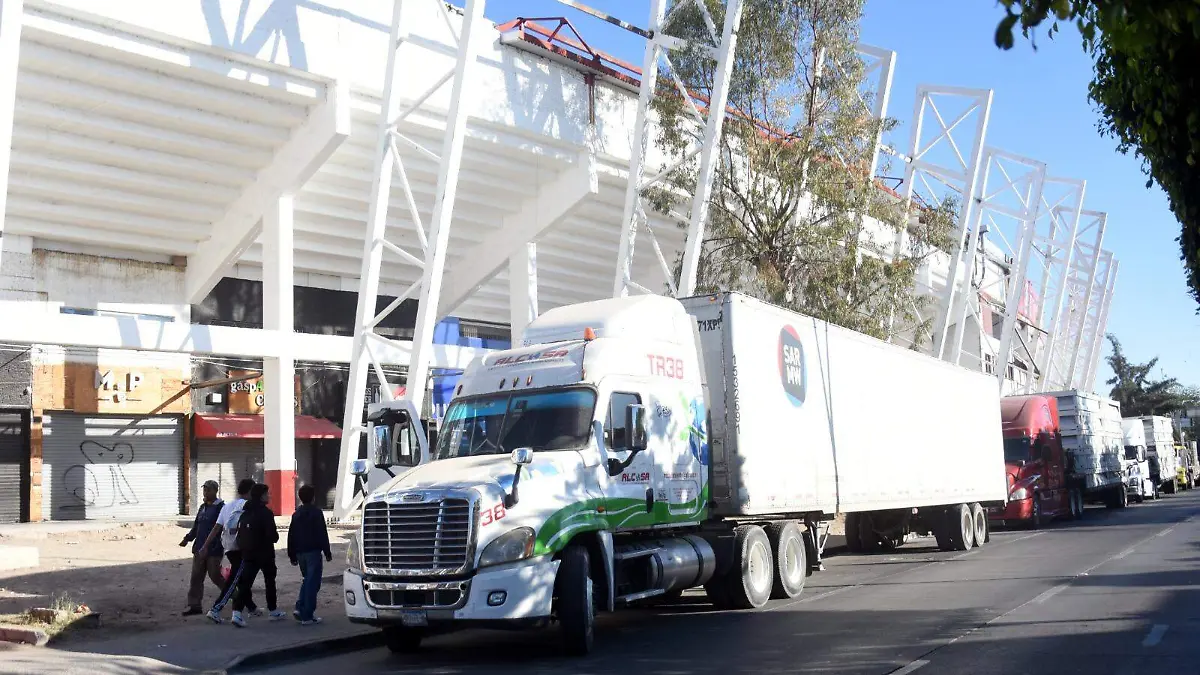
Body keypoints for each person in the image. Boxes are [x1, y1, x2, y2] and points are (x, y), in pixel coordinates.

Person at [204, 478, 261, 623]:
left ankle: (251, 607)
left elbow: (217, 528)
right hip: (241, 547)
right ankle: (216, 608)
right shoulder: (247, 505)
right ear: (250, 491)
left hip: (228, 546)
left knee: (241, 578)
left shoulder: (227, 506)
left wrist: (205, 545)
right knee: (235, 579)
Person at [230, 483, 285, 627]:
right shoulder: (266, 513)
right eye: (267, 494)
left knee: (245, 584)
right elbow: (272, 536)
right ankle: (273, 610)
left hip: (248, 553)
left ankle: (237, 612)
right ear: (261, 496)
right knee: (270, 581)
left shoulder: (245, 511)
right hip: (265, 553)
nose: (269, 496)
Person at [287, 484, 332, 625]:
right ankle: (307, 614)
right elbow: (322, 533)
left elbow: (291, 535)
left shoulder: (296, 514)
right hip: (313, 551)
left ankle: (301, 607)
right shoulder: (316, 513)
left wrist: (291, 554)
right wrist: (327, 551)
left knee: (307, 580)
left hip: (300, 552)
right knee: (313, 583)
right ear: (313, 497)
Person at [181, 480, 225, 616]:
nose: (205, 493)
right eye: (204, 490)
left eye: (208, 490)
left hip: (214, 549)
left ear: (215, 491)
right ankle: (194, 605)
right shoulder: (203, 507)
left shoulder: (221, 508)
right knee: (196, 577)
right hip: (199, 548)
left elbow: (221, 528)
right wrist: (187, 538)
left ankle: (235, 595)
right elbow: (196, 527)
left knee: (215, 575)